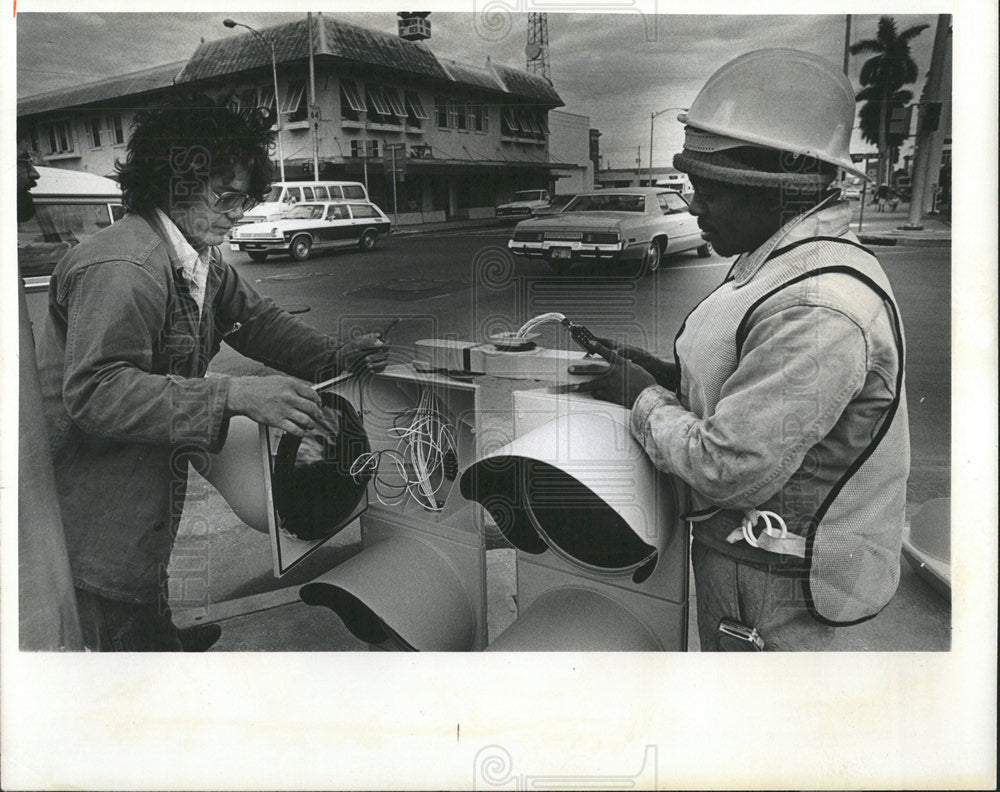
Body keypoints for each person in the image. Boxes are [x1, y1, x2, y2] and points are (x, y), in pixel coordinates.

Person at [580, 49, 910, 651]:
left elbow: (729, 469)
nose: (693, 204)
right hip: (749, 566)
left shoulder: (816, 306)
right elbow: (749, 376)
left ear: (778, 191)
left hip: (771, 590)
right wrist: (670, 376)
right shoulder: (782, 262)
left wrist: (644, 399)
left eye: (710, 188)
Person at [34, 96, 389, 651]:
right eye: (224, 196)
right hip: (97, 495)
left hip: (145, 480)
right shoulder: (124, 267)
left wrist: (339, 358)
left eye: (244, 199)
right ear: (170, 181)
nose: (237, 213)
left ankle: (158, 632)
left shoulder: (201, 257)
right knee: (114, 598)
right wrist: (236, 394)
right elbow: (97, 393)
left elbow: (260, 324)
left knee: (143, 566)